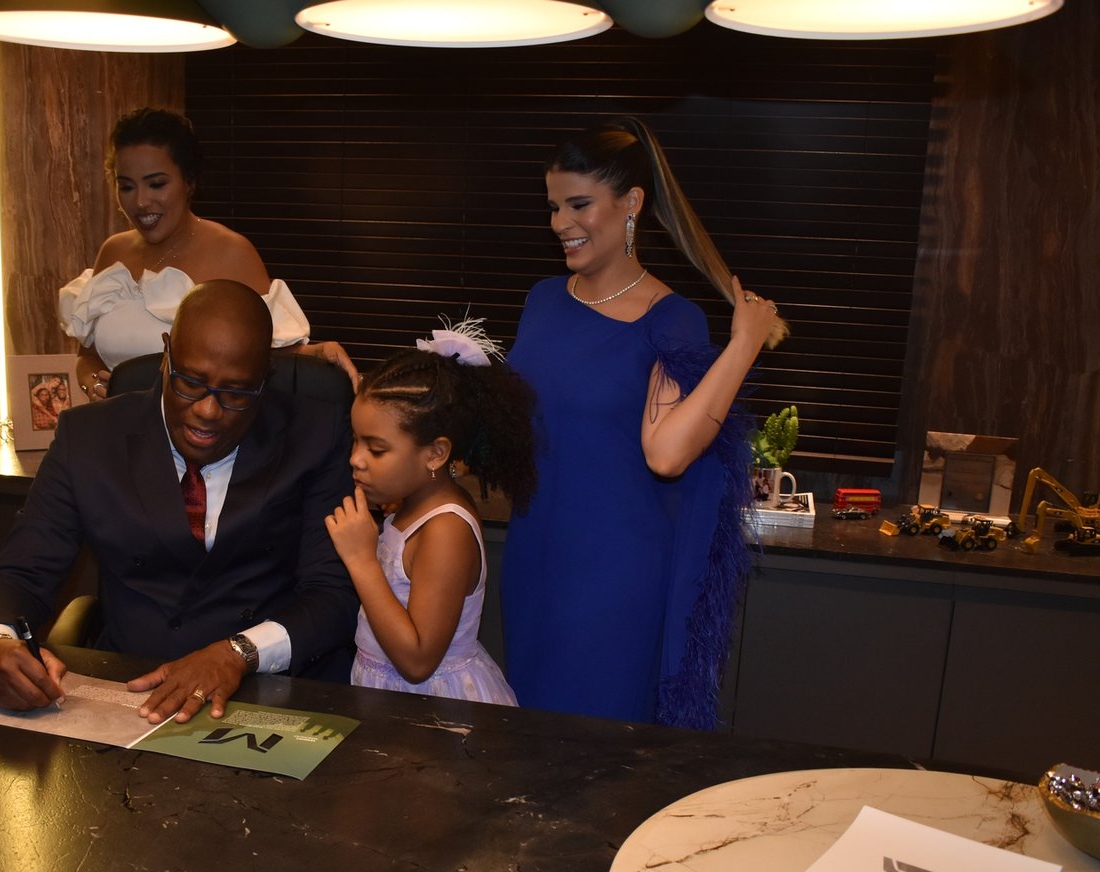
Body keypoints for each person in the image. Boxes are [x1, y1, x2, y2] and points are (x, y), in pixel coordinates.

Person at [500, 117, 787, 729]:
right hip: (534, 555)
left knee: (592, 747)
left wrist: (744, 345)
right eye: (553, 206)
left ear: (631, 203)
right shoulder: (541, 299)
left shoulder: (670, 318)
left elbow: (667, 455)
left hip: (613, 574)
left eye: (579, 204)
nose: (559, 223)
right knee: (527, 741)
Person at [0, 279, 358, 724]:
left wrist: (238, 653)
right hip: (134, 689)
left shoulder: (317, 434)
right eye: (191, 382)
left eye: (236, 392)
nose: (208, 411)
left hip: (273, 691)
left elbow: (334, 595)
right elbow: (23, 572)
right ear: (166, 353)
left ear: (264, 377)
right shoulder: (89, 438)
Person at [59, 107, 357, 400]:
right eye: (126, 186)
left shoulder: (232, 253)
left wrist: (318, 354)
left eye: (156, 184)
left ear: (188, 182)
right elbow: (88, 355)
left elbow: (270, 356)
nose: (140, 202)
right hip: (120, 422)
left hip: (201, 426)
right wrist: (93, 385)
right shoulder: (113, 251)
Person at [325, 324, 535, 705]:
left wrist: (361, 560)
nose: (356, 459)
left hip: (432, 705)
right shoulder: (412, 503)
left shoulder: (446, 530)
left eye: (376, 449)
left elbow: (418, 660)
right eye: (355, 441)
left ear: (436, 454)